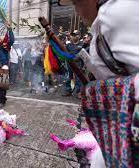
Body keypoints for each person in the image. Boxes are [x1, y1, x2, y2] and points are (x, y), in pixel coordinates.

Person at [60, 0, 139, 166]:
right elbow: (114, 72)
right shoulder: (102, 23)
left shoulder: (116, 13)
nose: (76, 10)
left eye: (77, 3)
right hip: (120, 132)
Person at [62, 30, 82, 97]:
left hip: (78, 64)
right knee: (68, 77)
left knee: (78, 78)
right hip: (69, 64)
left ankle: (79, 92)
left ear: (79, 36)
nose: (73, 37)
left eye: (75, 35)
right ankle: (68, 91)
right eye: (72, 35)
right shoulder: (68, 45)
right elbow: (64, 52)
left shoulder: (82, 44)